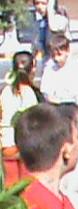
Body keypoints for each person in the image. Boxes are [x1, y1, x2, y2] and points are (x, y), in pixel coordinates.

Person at [1, 51, 38, 185]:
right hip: (23, 149)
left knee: (10, 188)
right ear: (33, 69)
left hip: (6, 148)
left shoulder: (5, 91)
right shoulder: (30, 93)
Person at [40, 33, 78, 107]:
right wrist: (56, 101)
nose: (56, 59)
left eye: (59, 55)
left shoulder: (75, 65)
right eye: (53, 55)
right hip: (59, 107)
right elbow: (46, 92)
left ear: (67, 51)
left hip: (76, 107)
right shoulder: (50, 70)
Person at [31, 0, 69, 64]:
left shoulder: (61, 20)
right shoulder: (38, 25)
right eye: (37, 3)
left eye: (43, 3)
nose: (39, 7)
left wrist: (50, 9)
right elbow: (34, 48)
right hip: (47, 63)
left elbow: (53, 27)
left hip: (63, 63)